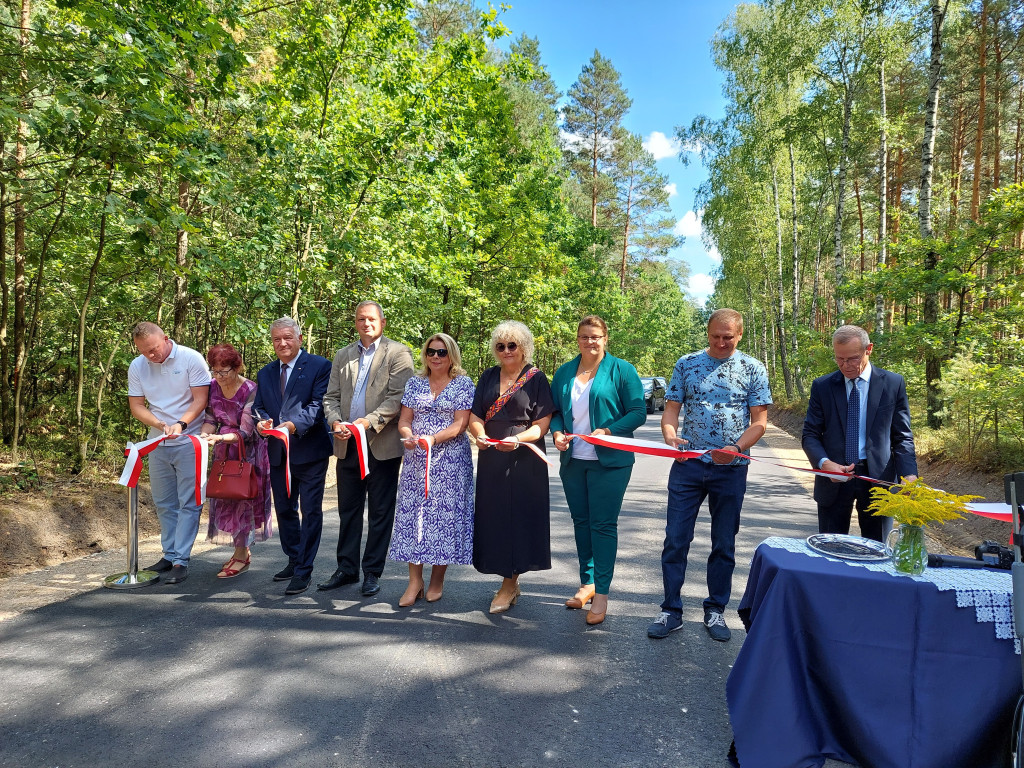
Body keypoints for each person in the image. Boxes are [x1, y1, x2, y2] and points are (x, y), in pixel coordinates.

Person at [648, 308, 771, 642]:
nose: (720, 343)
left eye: (728, 338)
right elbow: (670, 411)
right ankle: (670, 610)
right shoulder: (686, 363)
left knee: (724, 542)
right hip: (688, 466)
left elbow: (759, 422)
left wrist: (736, 447)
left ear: (740, 334)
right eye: (715, 336)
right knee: (675, 538)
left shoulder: (753, 368)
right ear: (707, 332)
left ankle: (716, 610)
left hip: (731, 470)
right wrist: (670, 436)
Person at [550, 315, 646, 626]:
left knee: (603, 526)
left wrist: (610, 431)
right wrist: (556, 433)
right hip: (574, 462)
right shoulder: (565, 372)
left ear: (605, 338)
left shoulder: (622, 370)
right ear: (577, 339)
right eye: (584, 336)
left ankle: (602, 594)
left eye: (595, 337)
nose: (590, 342)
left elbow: (638, 412)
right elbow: (554, 413)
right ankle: (586, 584)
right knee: (581, 522)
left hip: (611, 463)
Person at [321, 301, 414, 597]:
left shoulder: (398, 353)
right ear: (356, 322)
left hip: (380, 446)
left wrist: (368, 423)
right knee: (348, 511)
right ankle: (346, 569)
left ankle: (372, 572)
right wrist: (336, 422)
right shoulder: (343, 355)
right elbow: (330, 397)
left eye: (372, 319)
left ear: (382, 323)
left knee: (380, 512)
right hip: (346, 444)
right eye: (361, 319)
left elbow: (397, 398)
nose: (366, 323)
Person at [467, 321, 555, 615]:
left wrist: (517, 440)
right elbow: (475, 414)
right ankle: (507, 578)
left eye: (512, 345)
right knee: (496, 517)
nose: (506, 351)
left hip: (524, 455)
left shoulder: (536, 378)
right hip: (492, 456)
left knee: (519, 517)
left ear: (524, 347)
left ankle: (509, 582)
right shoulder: (488, 375)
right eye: (500, 346)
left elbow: (542, 424)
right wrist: (478, 434)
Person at [802, 324, 918, 542]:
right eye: (839, 359)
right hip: (834, 480)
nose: (845, 366)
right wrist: (824, 463)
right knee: (829, 550)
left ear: (869, 349)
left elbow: (902, 436)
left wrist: (909, 475)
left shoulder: (893, 383)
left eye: (852, 359)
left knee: (877, 552)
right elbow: (810, 434)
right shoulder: (823, 386)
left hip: (879, 481)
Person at [389, 334, 475, 606]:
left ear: (451, 355)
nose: (435, 357)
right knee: (415, 517)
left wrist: (433, 439)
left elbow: (461, 424)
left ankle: (437, 578)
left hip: (450, 461)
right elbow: (405, 419)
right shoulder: (414, 383)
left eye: (441, 352)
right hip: (416, 460)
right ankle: (415, 581)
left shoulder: (463, 383)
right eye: (431, 352)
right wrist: (409, 436)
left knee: (444, 520)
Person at [252, 317, 333, 596]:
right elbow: (259, 407)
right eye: (277, 339)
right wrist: (262, 423)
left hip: (310, 450)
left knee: (310, 511)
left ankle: (304, 571)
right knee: (285, 509)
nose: (282, 343)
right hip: (277, 452)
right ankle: (294, 557)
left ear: (300, 338)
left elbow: (318, 405)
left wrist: (291, 425)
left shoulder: (320, 366)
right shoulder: (265, 373)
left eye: (287, 337)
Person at [127, 322, 211, 585]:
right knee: (164, 503)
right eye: (145, 352)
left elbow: (201, 400)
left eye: (154, 349)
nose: (151, 356)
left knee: (190, 502)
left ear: (165, 338)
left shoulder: (190, 358)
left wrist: (181, 424)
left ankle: (181, 561)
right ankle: (169, 552)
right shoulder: (137, 366)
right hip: (157, 442)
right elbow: (137, 405)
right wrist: (158, 425)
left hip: (190, 441)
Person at [199, 343, 272, 578]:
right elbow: (210, 417)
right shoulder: (212, 387)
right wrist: (204, 435)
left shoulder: (251, 389)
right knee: (227, 502)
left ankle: (241, 555)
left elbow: (246, 432)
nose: (219, 376)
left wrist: (219, 437)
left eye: (224, 371)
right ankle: (240, 552)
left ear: (236, 367)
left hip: (248, 454)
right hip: (223, 451)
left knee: (243, 504)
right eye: (215, 371)